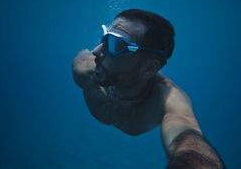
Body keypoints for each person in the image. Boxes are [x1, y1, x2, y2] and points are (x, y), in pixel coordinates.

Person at [72, 9, 226, 169]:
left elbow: (188, 138)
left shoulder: (167, 99)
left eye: (116, 45)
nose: (96, 51)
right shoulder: (84, 70)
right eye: (104, 37)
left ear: (149, 68)